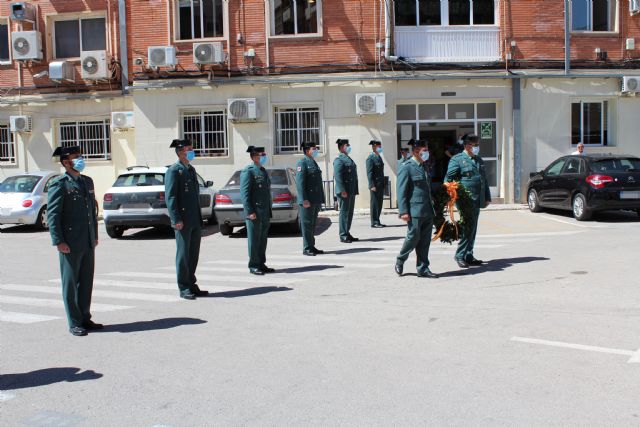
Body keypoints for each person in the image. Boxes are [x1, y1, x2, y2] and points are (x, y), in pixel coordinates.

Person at [48, 145, 102, 336]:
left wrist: (94, 235)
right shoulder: (59, 184)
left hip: (87, 241)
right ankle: (74, 322)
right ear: (65, 162)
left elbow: (91, 213)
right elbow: (53, 215)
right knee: (70, 283)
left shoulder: (87, 181)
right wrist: (58, 241)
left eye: (80, 156)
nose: (80, 159)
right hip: (69, 242)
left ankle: (85, 317)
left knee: (86, 282)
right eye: (75, 157)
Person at [165, 139, 208, 299]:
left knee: (193, 254)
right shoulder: (174, 171)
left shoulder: (190, 169)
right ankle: (184, 287)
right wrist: (176, 218)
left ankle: (191, 283)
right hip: (182, 220)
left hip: (194, 219)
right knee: (183, 255)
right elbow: (171, 197)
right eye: (188, 149)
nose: (192, 151)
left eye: (192, 148)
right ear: (180, 152)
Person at [445, 134, 491, 269]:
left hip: (477, 199)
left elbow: (484, 180)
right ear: (466, 146)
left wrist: (487, 197)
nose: (477, 147)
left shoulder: (479, 159)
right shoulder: (457, 159)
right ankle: (460, 255)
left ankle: (469, 254)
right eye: (474, 145)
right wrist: (453, 195)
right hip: (464, 200)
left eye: (478, 145)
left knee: (473, 227)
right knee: (468, 227)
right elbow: (449, 179)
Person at [394, 139, 438, 279]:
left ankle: (423, 268)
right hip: (414, 210)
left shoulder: (424, 166)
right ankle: (401, 259)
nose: (426, 153)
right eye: (424, 150)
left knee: (425, 241)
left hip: (427, 209)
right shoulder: (407, 167)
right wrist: (403, 211)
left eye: (426, 150)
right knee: (413, 237)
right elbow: (401, 191)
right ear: (415, 151)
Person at [240, 146, 275, 275]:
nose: (264, 157)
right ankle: (254, 265)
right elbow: (245, 194)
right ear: (255, 157)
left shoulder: (263, 171)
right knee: (254, 240)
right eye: (262, 155)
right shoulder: (248, 171)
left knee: (262, 239)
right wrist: (249, 211)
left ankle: (261, 263)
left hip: (264, 211)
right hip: (254, 211)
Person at [296, 141, 325, 256]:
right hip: (307, 200)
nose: (316, 150)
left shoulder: (313, 162)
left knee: (312, 224)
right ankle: (307, 248)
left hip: (315, 199)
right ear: (307, 150)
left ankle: (311, 246)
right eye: (314, 148)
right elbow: (300, 183)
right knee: (307, 224)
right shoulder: (302, 163)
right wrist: (304, 199)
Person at [333, 138, 359, 243]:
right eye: (347, 145)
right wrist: (342, 190)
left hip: (351, 190)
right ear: (342, 147)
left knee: (350, 213)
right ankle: (343, 235)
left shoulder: (348, 159)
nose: (349, 147)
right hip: (344, 191)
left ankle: (347, 232)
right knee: (344, 213)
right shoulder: (339, 160)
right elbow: (338, 177)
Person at [366, 140, 386, 228]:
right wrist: (371, 185)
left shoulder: (379, 157)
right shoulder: (370, 158)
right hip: (375, 185)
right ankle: (374, 222)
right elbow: (369, 173)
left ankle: (377, 220)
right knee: (374, 203)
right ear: (373, 147)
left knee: (379, 203)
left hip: (380, 184)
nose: (380, 148)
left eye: (380, 146)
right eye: (378, 147)